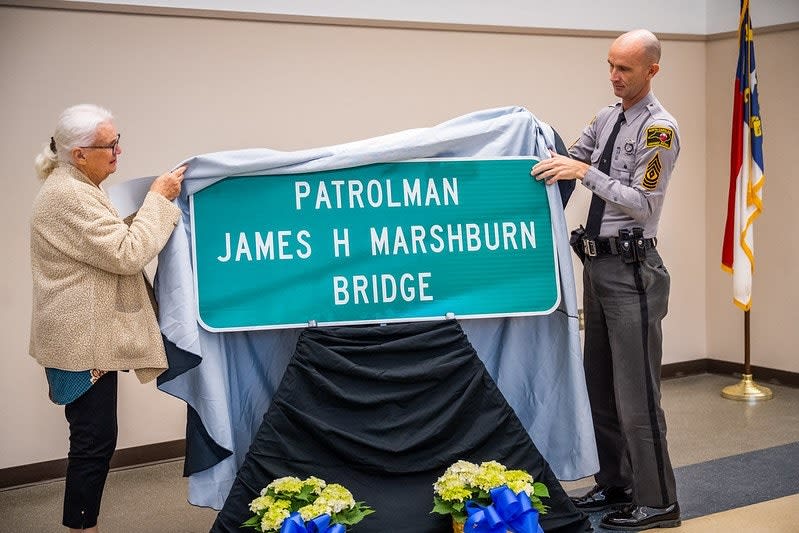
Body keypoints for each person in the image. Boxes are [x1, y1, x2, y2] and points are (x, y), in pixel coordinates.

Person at [531, 29, 680, 530]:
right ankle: (616, 484)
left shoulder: (660, 131)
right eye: (611, 66)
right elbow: (567, 163)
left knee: (636, 393)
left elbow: (642, 201)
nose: (615, 77)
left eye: (626, 69)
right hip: (595, 266)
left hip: (633, 272)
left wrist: (584, 171)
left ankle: (659, 501)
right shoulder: (605, 117)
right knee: (600, 384)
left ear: (652, 70)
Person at [30, 104, 185, 532]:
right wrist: (157, 199)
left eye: (117, 141)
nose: (119, 151)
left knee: (94, 438)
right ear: (79, 153)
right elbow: (127, 253)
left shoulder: (78, 186)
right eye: (109, 145)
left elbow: (112, 240)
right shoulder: (69, 195)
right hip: (80, 340)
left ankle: (82, 525)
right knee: (93, 441)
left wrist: (152, 207)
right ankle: (81, 527)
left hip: (86, 335)